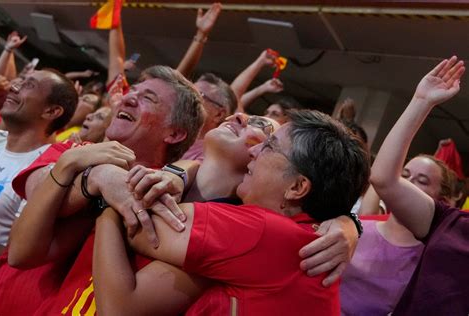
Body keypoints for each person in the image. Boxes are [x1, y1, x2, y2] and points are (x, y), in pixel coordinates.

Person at [92, 110, 371, 315]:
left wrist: (106, 187)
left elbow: (138, 221)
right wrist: (182, 172)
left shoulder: (264, 232)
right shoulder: (304, 234)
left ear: (297, 187)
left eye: (270, 146)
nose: (255, 152)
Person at [0, 65, 204, 316]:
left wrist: (185, 170)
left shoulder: (163, 198)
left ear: (175, 133)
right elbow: (35, 189)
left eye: (148, 98)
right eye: (133, 90)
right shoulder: (74, 150)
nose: (128, 97)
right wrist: (96, 175)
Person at [370, 56, 469, 315]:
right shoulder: (454, 225)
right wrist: (422, 102)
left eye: (423, 180)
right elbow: (384, 179)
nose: (411, 181)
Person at [341, 154, 457, 315]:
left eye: (422, 181)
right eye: (403, 175)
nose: (407, 183)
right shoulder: (353, 228)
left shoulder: (433, 260)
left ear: (442, 202)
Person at [0, 69, 77, 258]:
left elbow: (13, 253)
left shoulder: (47, 171)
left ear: (51, 111)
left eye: (28, 85)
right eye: (20, 82)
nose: (14, 88)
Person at [181, 73, 237, 161]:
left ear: (218, 115)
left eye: (196, 95)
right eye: (187, 91)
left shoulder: (210, 157)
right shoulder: (171, 135)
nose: (185, 97)